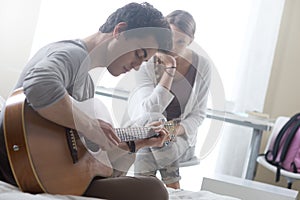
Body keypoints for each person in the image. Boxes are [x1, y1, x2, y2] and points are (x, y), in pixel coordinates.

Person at [0, 2, 174, 200]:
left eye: (143, 62)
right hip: (20, 167)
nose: (136, 67)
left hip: (49, 173)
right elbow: (39, 83)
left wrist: (136, 144)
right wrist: (90, 126)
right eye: (139, 54)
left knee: (149, 187)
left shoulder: (87, 86)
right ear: (120, 31)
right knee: (154, 189)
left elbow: (86, 158)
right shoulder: (72, 53)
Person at [126, 10, 212, 189]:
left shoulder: (202, 65)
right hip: (148, 130)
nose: (173, 46)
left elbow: (198, 115)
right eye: (170, 38)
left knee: (155, 142)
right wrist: (170, 69)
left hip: (180, 138)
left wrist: (170, 130)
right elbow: (150, 110)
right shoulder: (147, 62)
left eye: (180, 41)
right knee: (153, 133)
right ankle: (174, 188)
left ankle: (141, 191)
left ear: (191, 41)